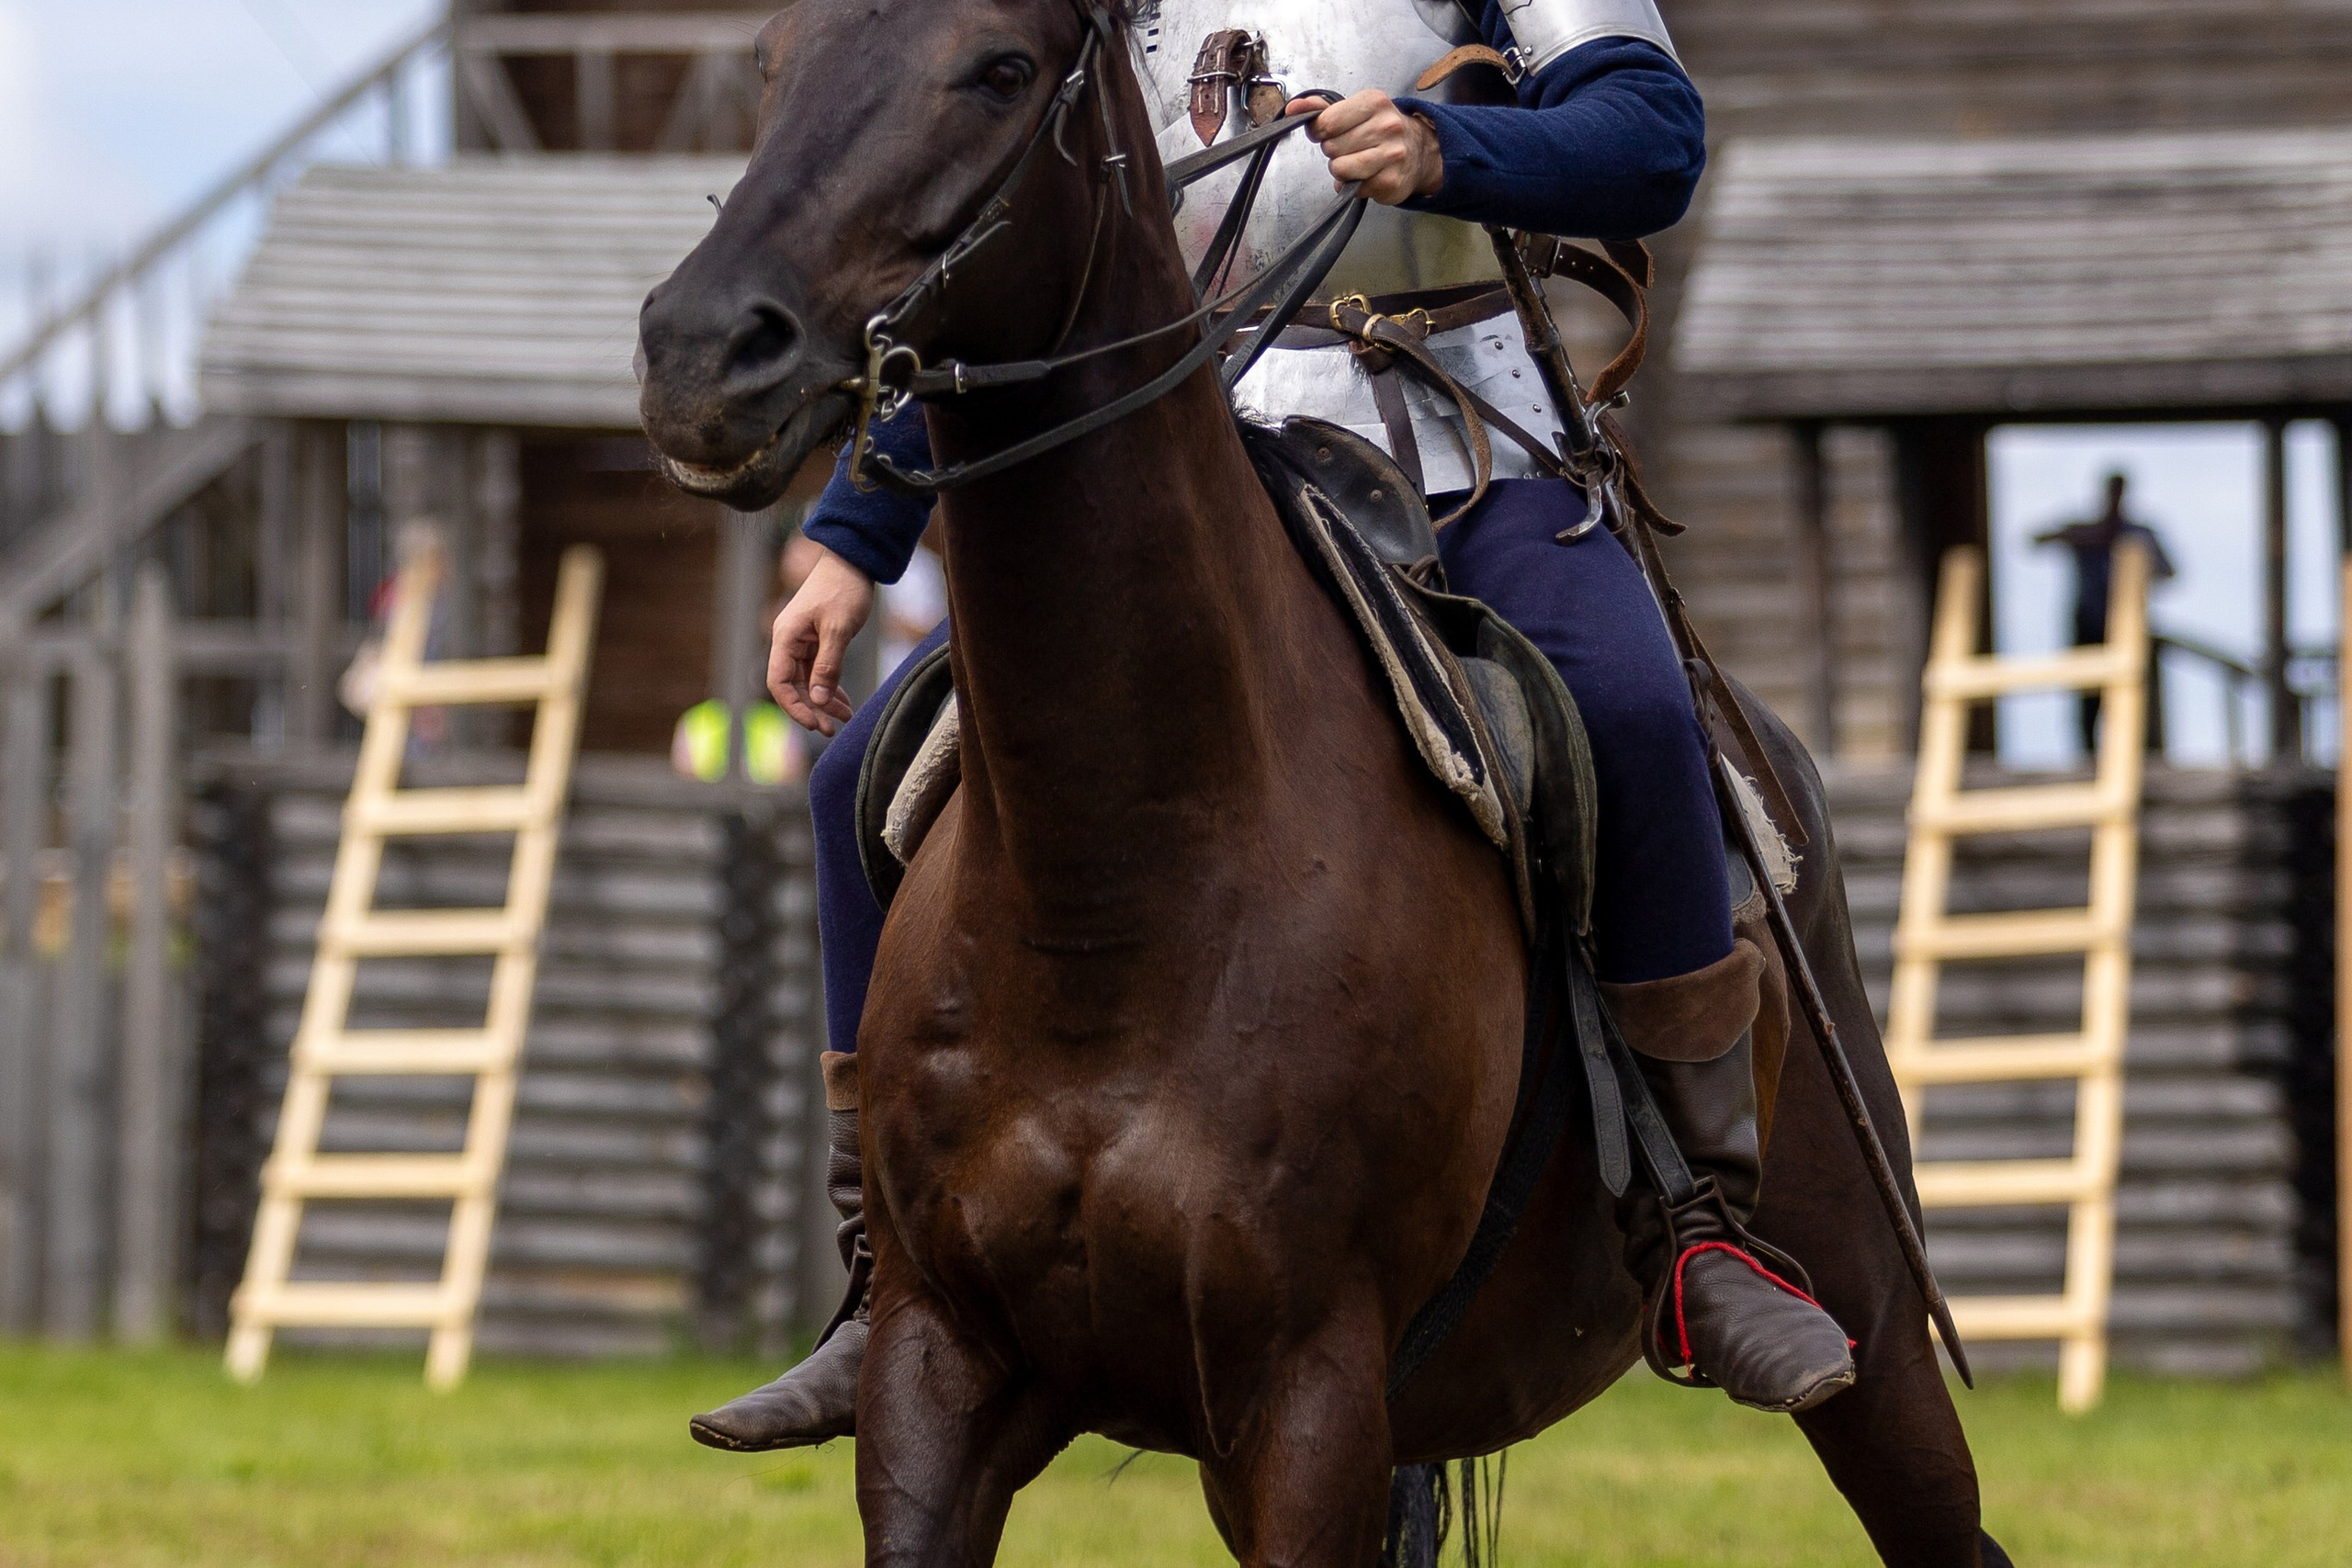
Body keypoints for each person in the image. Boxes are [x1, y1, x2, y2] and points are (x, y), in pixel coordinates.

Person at [690, 0, 1857, 1452]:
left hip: (1467, 441)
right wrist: (863, 529)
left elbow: (1654, 136)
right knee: (858, 776)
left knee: (1624, 701)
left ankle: (1696, 1221)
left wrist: (1448, 145)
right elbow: (995, 229)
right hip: (1194, 449)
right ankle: (886, 1268)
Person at [2035, 472, 2177, 751]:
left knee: (2132, 696)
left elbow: (2168, 571)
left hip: (2130, 629)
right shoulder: (2085, 530)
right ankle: (2088, 758)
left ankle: (2137, 757)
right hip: (2089, 625)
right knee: (2089, 698)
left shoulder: (2139, 535)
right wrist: (2084, 537)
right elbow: (2037, 540)